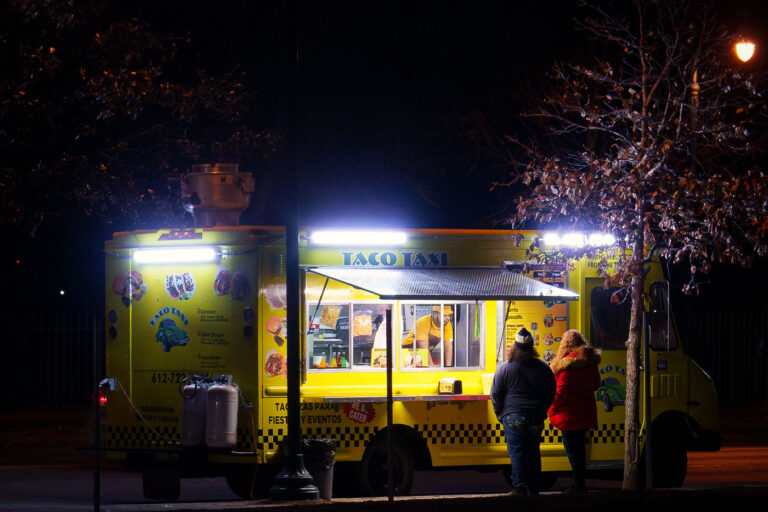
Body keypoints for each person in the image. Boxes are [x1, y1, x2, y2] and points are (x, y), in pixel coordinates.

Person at [490, 327, 556, 495]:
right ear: (532, 348)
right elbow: (551, 392)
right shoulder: (544, 368)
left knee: (517, 452)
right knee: (533, 451)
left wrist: (500, 415)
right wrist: (542, 410)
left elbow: (495, 394)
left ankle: (519, 487)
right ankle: (534, 488)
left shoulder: (504, 368)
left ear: (514, 347)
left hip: (512, 417)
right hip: (535, 416)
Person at [548, 329, 601, 493]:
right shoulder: (590, 362)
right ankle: (579, 482)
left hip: (569, 415)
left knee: (572, 450)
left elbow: (561, 391)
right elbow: (596, 384)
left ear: (566, 344)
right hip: (584, 414)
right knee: (580, 450)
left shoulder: (567, 365)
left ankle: (578, 484)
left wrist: (551, 407)